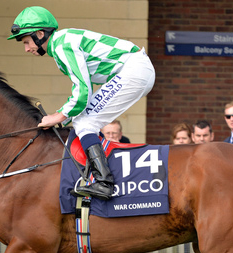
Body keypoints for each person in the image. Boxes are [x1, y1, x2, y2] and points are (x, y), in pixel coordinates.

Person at [9, 6, 155, 200]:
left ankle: (104, 182)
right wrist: (65, 114)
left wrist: (58, 116)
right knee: (81, 119)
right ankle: (98, 175)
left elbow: (83, 92)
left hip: (134, 70)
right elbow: (83, 94)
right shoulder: (61, 43)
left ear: (40, 34)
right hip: (134, 70)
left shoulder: (62, 45)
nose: (27, 48)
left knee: (85, 122)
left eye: (27, 42)